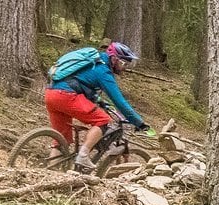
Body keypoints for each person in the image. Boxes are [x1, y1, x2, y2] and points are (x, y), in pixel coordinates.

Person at [44, 41, 152, 172]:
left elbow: (80, 82)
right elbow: (120, 101)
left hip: (51, 94)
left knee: (62, 141)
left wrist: (99, 100)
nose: (124, 67)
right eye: (123, 63)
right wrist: (139, 122)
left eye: (127, 64)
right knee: (103, 120)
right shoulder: (103, 71)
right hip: (66, 96)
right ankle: (83, 155)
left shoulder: (93, 62)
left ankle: (49, 172)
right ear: (113, 58)